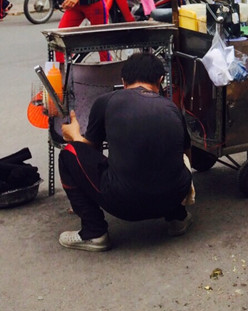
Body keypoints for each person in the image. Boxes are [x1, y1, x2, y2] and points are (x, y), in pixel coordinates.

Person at [57, 51, 194, 251]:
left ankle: (94, 232)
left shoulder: (106, 101)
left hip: (125, 206)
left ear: (123, 81)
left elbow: (89, 150)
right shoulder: (171, 107)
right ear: (160, 80)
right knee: (173, 156)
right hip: (173, 197)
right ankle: (178, 218)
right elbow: (186, 152)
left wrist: (74, 134)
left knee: (69, 154)